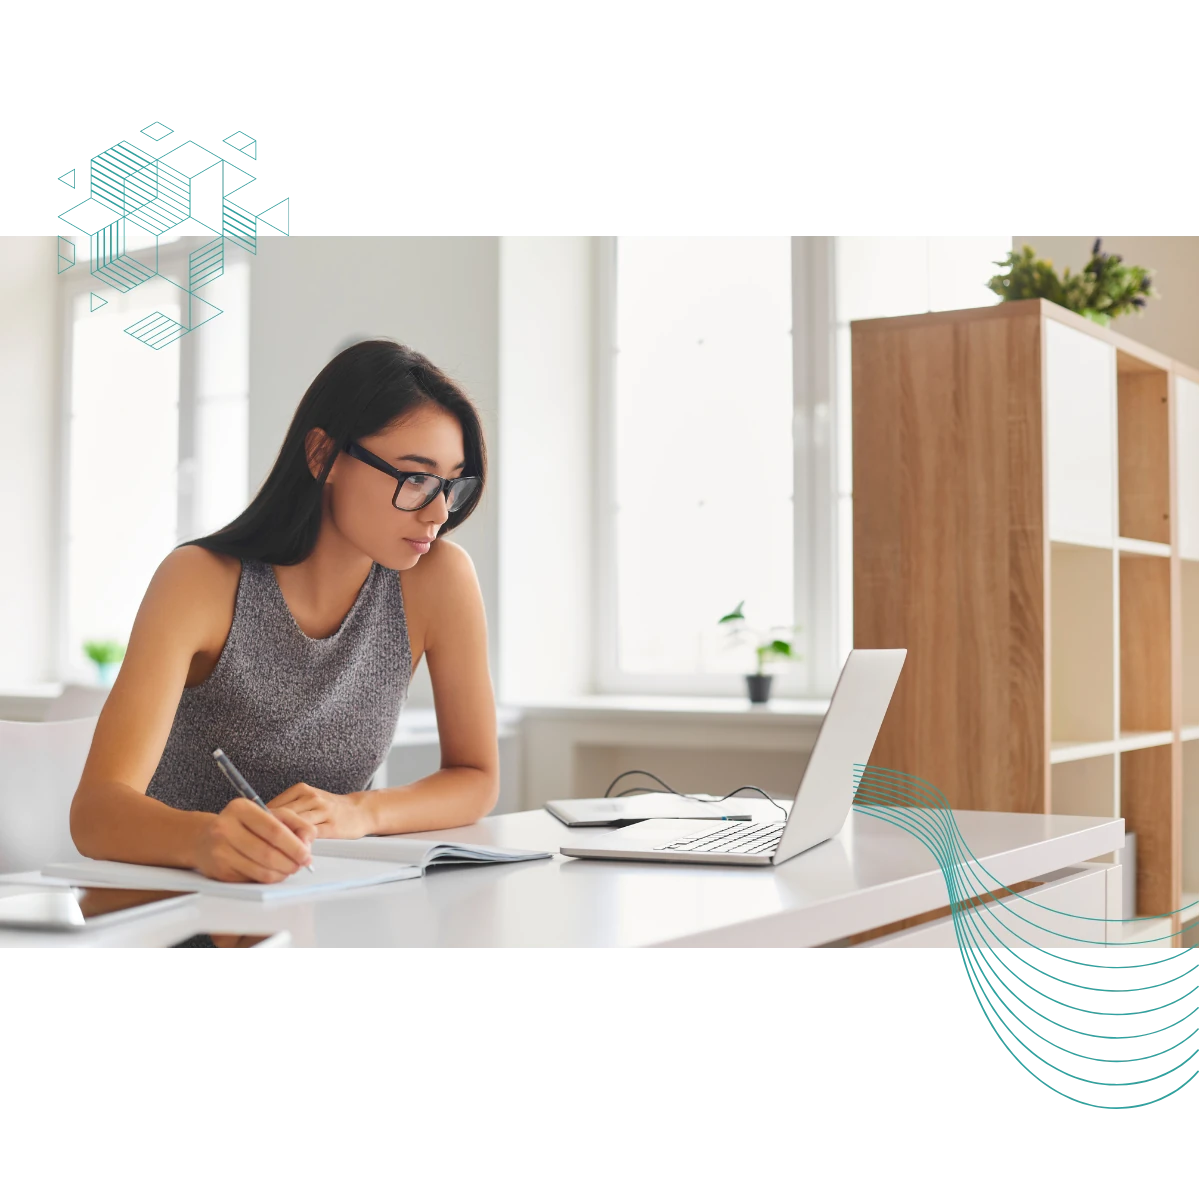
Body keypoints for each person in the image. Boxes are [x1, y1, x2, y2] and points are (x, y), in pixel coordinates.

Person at [70, 339, 499, 884]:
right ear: (323, 455)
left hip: (321, 904)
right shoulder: (200, 581)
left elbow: (476, 776)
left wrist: (360, 812)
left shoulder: (439, 579)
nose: (438, 511)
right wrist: (206, 839)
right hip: (176, 906)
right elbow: (95, 813)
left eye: (450, 484)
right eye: (415, 478)